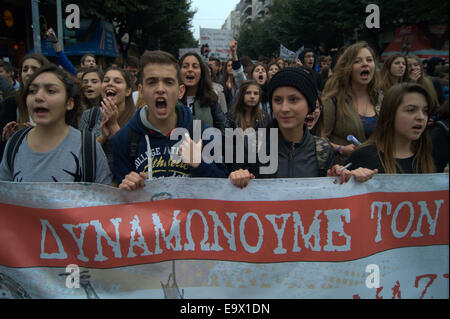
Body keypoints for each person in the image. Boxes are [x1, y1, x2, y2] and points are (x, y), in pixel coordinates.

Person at [229, 67, 377, 188]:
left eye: (294, 100)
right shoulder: (250, 145)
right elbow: (232, 198)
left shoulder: (323, 149)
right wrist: (237, 178)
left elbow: (327, 199)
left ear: (309, 105)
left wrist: (339, 179)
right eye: (278, 100)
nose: (284, 108)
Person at [113, 50, 228, 190]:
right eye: (152, 82)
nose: (160, 89)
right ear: (141, 91)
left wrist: (200, 163)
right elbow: (119, 198)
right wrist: (126, 188)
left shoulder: (203, 133)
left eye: (168, 82)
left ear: (180, 91)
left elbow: (222, 187)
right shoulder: (123, 139)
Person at [0, 64, 111, 184]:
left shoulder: (88, 146)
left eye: (51, 91)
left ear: (69, 103)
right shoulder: (15, 143)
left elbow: (104, 198)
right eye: (32, 91)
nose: (38, 97)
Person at [348, 83, 436, 174]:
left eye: (425, 111)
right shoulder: (364, 157)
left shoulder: (428, 155)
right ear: (391, 113)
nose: (421, 117)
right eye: (411, 110)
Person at [321, 41, 383, 165]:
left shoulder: (380, 98)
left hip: (377, 170)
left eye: (369, 60)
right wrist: (340, 149)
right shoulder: (333, 100)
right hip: (345, 173)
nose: (365, 64)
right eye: (357, 61)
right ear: (347, 67)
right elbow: (319, 138)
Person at [78, 67, 135, 169]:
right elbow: (81, 155)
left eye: (117, 81)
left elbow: (134, 157)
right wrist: (103, 137)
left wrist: (113, 126)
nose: (110, 84)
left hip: (124, 182)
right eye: (106, 80)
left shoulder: (137, 119)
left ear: (128, 91)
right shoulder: (90, 115)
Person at [0, 53, 50, 160]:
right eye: (25, 69)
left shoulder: (55, 101)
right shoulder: (11, 102)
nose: (29, 73)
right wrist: (8, 139)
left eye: (34, 68)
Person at [179, 52, 226, 133]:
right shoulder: (171, 99)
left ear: (201, 73)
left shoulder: (210, 98)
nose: (190, 69)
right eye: (185, 66)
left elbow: (223, 129)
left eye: (195, 66)